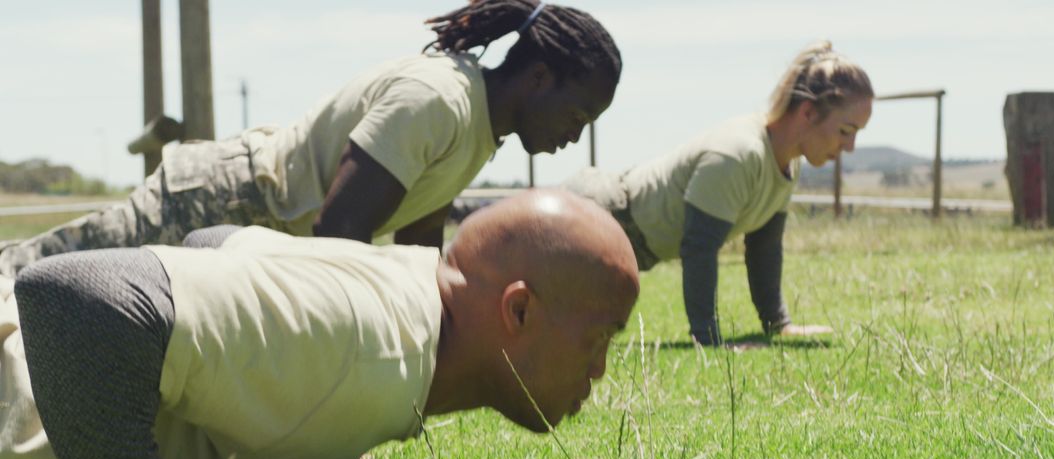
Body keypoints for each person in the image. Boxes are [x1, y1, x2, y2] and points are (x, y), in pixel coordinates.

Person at [2, 189, 639, 459]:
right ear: (519, 310)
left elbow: (215, 243)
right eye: (599, 338)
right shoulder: (368, 342)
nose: (601, 369)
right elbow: (77, 298)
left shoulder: (405, 287)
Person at [0, 0, 622, 277]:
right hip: (222, 199)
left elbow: (416, 252)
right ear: (540, 77)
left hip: (251, 230)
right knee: (37, 275)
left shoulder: (481, 132)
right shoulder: (441, 100)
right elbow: (339, 234)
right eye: (580, 112)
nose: (578, 133)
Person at [564, 41, 873, 345]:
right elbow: (699, 246)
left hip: (634, 243)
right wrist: (708, 338)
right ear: (808, 112)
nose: (850, 147)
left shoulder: (787, 164)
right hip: (597, 216)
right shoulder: (738, 154)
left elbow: (764, 248)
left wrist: (778, 325)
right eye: (846, 131)